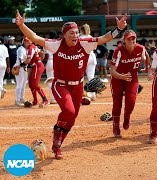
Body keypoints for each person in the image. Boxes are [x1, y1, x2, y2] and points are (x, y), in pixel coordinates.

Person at [16, 9, 127, 159]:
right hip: (60, 85)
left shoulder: (85, 44)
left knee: (72, 119)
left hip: (78, 86)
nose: (75, 35)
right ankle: (56, 136)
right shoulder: (56, 44)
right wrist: (22, 25)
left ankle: (58, 145)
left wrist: (119, 29)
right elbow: (35, 38)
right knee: (68, 111)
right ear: (65, 35)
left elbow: (104, 38)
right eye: (71, 33)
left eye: (76, 32)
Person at [110, 30, 148, 138]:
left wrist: (147, 67)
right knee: (117, 103)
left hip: (132, 78)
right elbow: (112, 71)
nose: (131, 41)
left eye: (133, 38)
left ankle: (127, 116)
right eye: (128, 39)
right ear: (124, 40)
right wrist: (122, 76)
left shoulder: (140, 48)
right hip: (118, 79)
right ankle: (116, 127)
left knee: (131, 101)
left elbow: (146, 57)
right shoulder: (119, 50)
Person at [80, 24, 98, 101]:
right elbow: (95, 47)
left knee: (80, 77)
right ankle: (93, 95)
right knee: (91, 76)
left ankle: (80, 94)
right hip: (91, 56)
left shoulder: (79, 38)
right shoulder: (91, 37)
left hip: (82, 57)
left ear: (81, 30)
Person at [13, 36, 30, 106]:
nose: (27, 42)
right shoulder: (21, 49)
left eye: (28, 41)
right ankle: (17, 100)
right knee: (19, 84)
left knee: (24, 84)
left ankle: (21, 98)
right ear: (23, 41)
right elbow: (20, 59)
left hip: (24, 67)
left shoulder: (27, 49)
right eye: (25, 41)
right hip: (18, 67)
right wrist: (22, 67)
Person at [43, 30, 58, 104]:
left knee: (50, 80)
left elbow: (45, 55)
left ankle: (53, 98)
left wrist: (44, 63)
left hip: (49, 61)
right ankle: (58, 96)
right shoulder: (58, 42)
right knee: (58, 80)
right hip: (57, 62)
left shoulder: (47, 42)